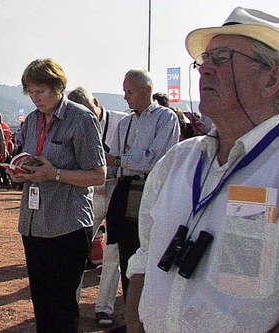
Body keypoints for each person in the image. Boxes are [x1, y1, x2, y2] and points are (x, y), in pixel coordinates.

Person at [126, 7, 279, 333]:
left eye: (222, 58)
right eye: (204, 59)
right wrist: (134, 322)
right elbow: (144, 255)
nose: (204, 70)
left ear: (272, 79)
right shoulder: (177, 161)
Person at [7, 58, 105, 333]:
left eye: (40, 91)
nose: (35, 97)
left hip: (67, 226)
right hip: (34, 224)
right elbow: (30, 159)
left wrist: (56, 174)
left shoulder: (81, 118)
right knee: (41, 304)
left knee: (62, 308)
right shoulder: (32, 120)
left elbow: (98, 175)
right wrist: (21, 173)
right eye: (31, 91)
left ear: (58, 86)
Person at [105, 69, 180, 301]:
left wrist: (121, 160)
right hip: (127, 193)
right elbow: (114, 161)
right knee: (127, 253)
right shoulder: (124, 123)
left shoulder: (166, 118)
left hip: (153, 193)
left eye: (130, 92)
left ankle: (148, 313)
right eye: (124, 92)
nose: (126, 97)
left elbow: (155, 159)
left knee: (150, 251)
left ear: (147, 91)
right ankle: (131, 312)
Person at [67, 86, 127, 327]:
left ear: (96, 102)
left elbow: (128, 157)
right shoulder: (78, 123)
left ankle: (104, 307)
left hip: (117, 189)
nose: (87, 116)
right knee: (77, 248)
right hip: (90, 192)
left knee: (113, 250)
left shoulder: (123, 122)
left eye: (89, 110)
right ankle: (71, 302)